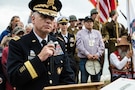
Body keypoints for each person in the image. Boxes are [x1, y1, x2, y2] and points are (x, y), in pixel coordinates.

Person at [7, 0, 75, 90]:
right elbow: (14, 79)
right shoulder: (18, 44)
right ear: (33, 19)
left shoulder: (58, 43)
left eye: (51, 17)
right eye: (44, 16)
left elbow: (68, 77)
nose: (48, 21)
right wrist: (39, 59)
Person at [76, 16, 105, 83]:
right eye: (87, 22)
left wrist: (98, 54)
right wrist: (87, 54)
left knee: (96, 81)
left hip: (96, 59)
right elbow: (79, 46)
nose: (89, 23)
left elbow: (102, 46)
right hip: (84, 59)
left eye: (91, 22)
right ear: (84, 23)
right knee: (84, 80)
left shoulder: (97, 33)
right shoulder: (80, 33)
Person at [57, 16, 78, 83]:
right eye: (62, 24)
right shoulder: (56, 37)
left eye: (65, 24)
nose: (64, 26)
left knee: (73, 78)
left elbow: (74, 49)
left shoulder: (72, 36)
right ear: (59, 25)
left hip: (71, 60)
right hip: (61, 61)